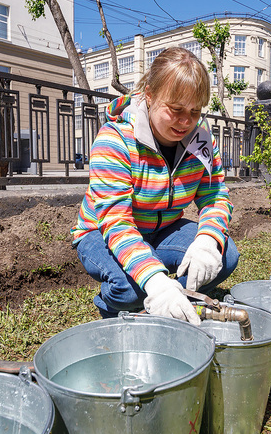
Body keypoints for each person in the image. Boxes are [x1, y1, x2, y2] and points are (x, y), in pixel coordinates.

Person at [71, 46, 239, 324]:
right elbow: (116, 222)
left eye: (195, 111)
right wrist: (156, 281)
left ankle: (177, 304)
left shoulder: (201, 139)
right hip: (102, 232)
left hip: (162, 230)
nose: (186, 122)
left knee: (225, 255)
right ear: (149, 95)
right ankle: (115, 310)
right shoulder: (114, 140)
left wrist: (208, 240)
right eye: (175, 110)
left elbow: (215, 195)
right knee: (130, 289)